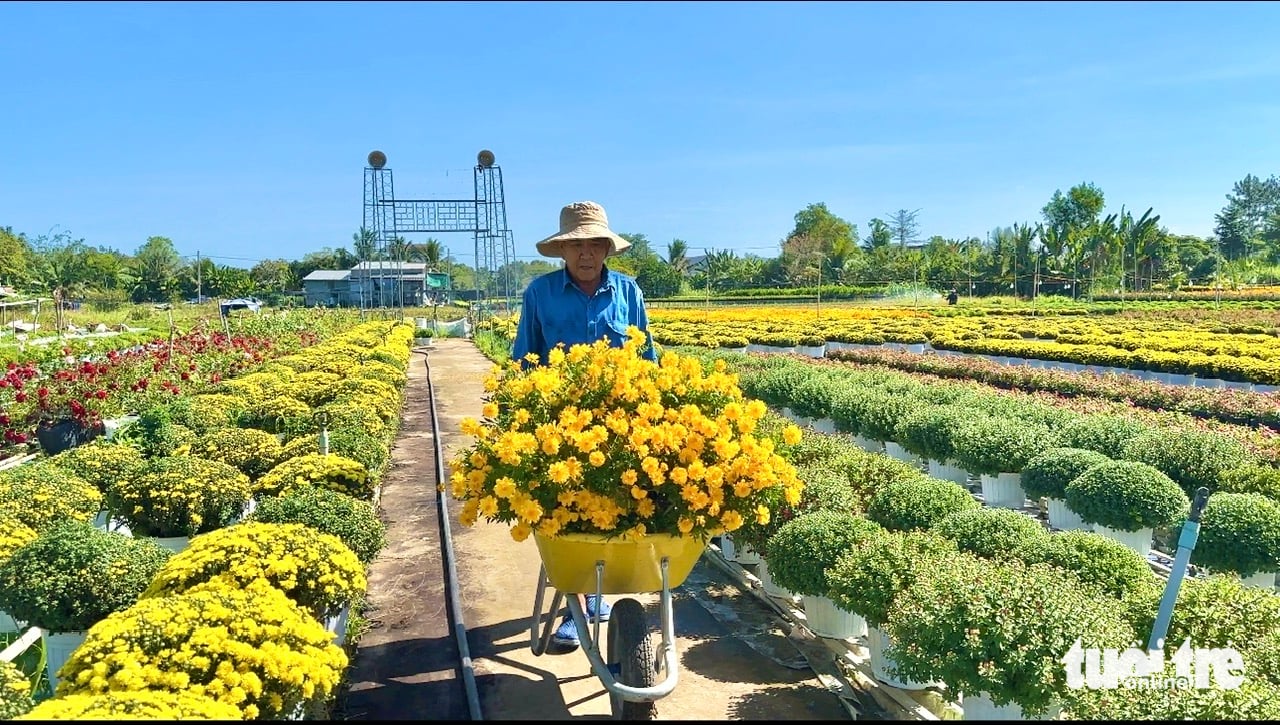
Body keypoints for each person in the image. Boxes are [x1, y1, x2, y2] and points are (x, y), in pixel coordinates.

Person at [511, 200, 658, 650]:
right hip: (558, 429)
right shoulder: (540, 294)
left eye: (595, 243)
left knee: (614, 509)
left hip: (618, 428)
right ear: (562, 251)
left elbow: (647, 358)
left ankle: (600, 596)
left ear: (607, 248)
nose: (586, 253)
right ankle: (576, 606)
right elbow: (524, 359)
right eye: (577, 245)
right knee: (565, 514)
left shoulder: (628, 293)